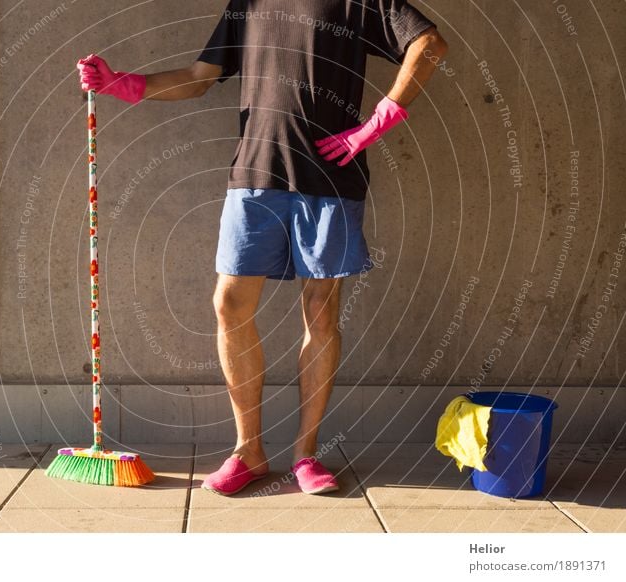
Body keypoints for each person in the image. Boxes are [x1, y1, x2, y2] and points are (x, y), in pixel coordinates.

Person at [77, 0, 448, 496]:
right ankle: (248, 452)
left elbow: (429, 44)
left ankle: (305, 456)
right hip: (254, 172)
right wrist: (122, 83)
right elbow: (199, 76)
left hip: (330, 177)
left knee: (320, 312)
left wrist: (375, 124)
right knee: (229, 303)